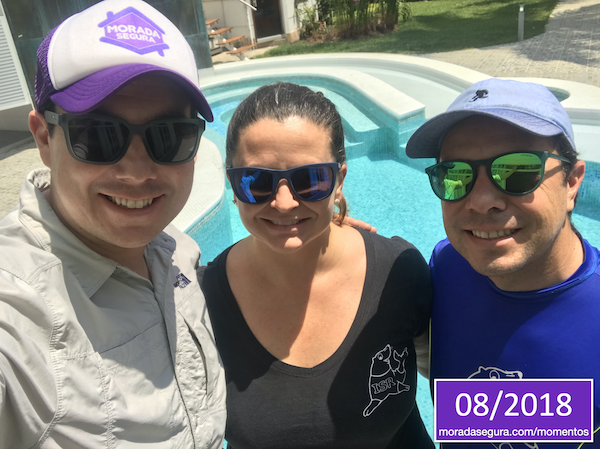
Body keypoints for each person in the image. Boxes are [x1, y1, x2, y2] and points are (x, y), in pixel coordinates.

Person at [0, 1, 226, 447]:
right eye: (98, 134)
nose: (138, 172)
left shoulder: (176, 250)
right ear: (43, 137)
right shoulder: (16, 314)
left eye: (169, 135)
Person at [199, 82, 433, 449]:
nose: (284, 203)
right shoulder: (201, 302)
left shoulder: (398, 272)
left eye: (310, 180)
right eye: (256, 181)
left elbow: (458, 382)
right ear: (233, 185)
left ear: (339, 181)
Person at [406, 78, 600, 448]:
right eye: (456, 175)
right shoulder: (447, 267)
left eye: (518, 171)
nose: (481, 201)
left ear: (572, 183)